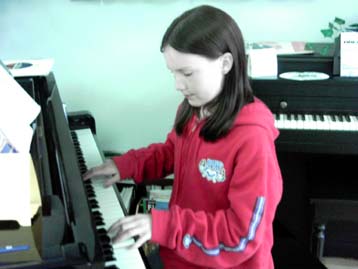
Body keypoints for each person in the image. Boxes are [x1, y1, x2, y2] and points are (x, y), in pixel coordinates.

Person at [84, 5, 282, 269]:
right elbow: (171, 152)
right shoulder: (191, 111)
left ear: (225, 64)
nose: (177, 84)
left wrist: (163, 225)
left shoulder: (253, 139)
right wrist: (125, 165)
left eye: (187, 73)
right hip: (182, 256)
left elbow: (242, 236)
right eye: (173, 73)